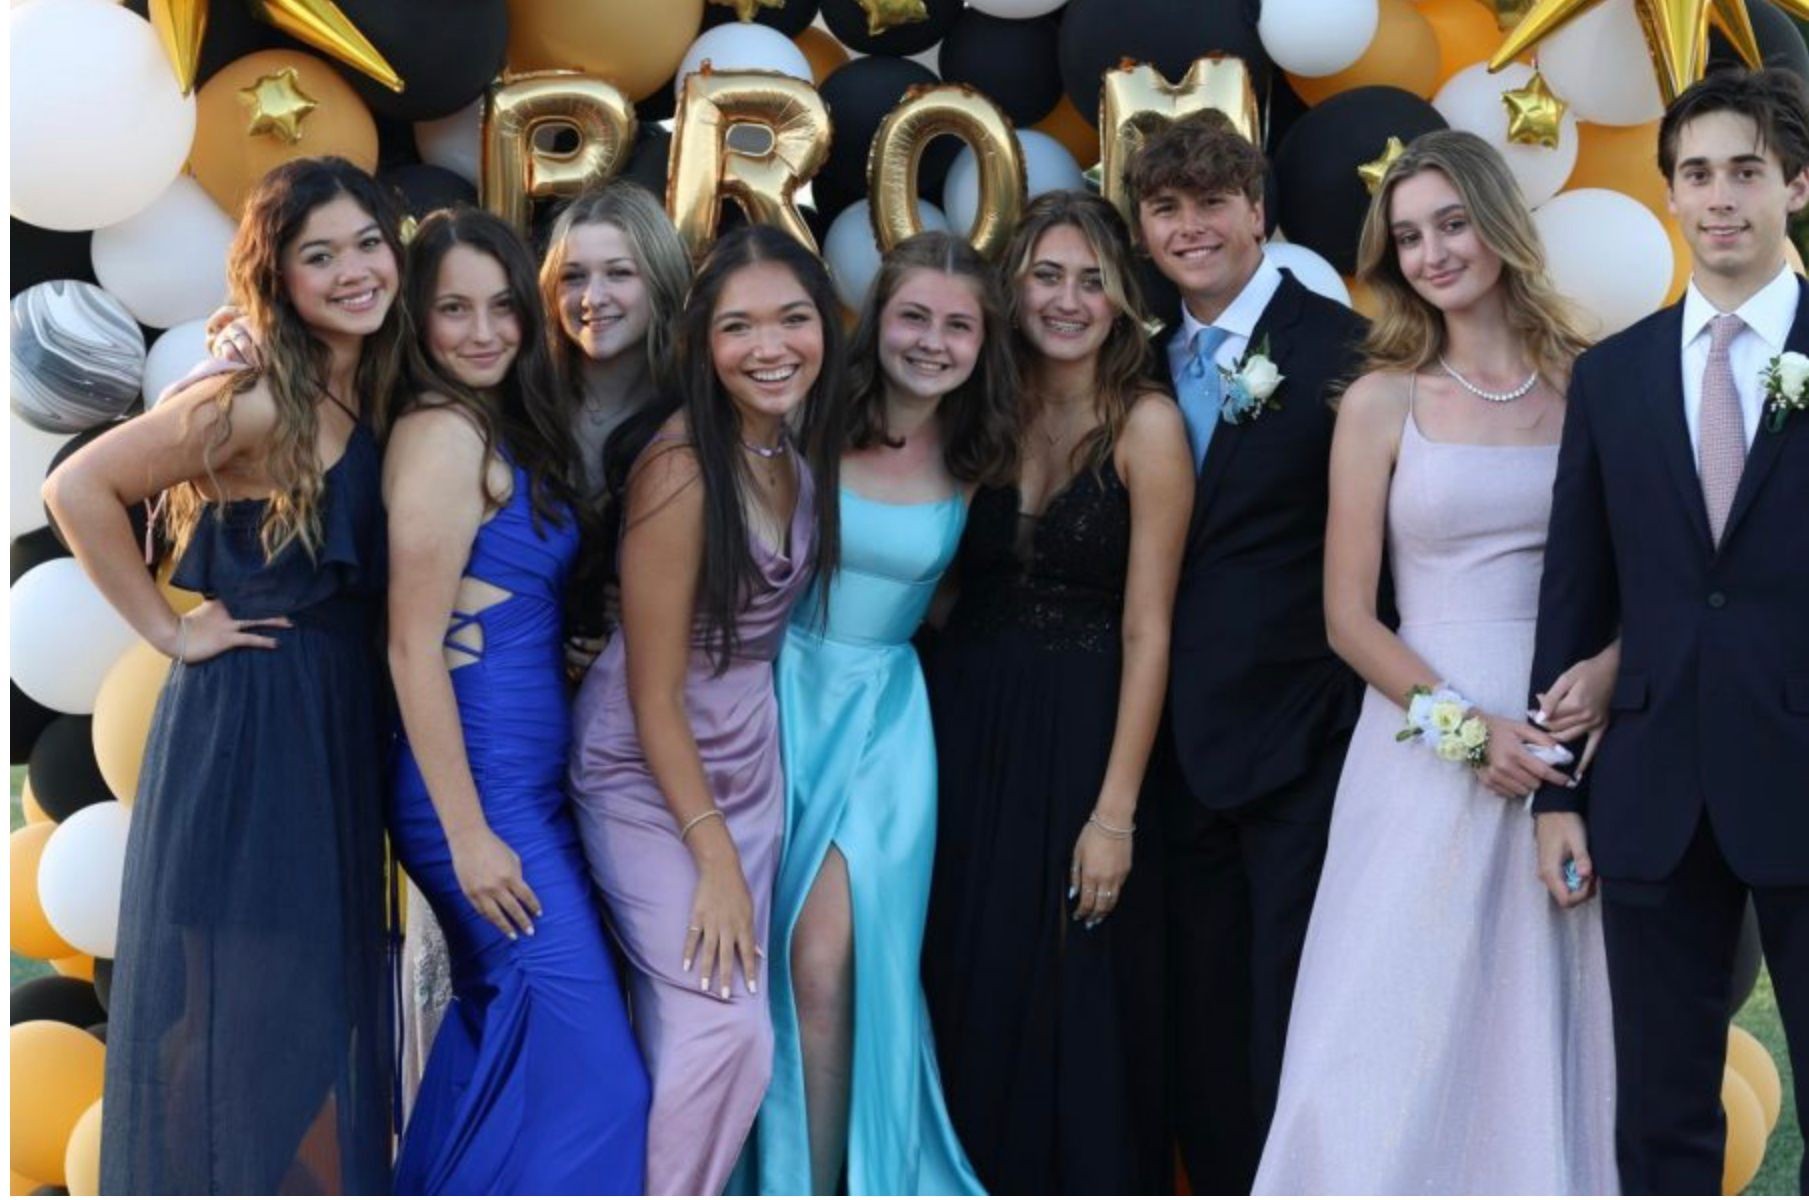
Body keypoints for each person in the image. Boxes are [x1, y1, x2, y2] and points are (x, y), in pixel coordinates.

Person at [1253, 130, 1618, 1194]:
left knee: (1540, 1019)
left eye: (1452, 223)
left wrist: (1608, 668)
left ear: (1500, 223)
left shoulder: (1593, 386)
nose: (1433, 252)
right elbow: (1347, 619)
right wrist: (1468, 734)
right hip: (1421, 743)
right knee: (1377, 1024)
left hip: (1571, 743)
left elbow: (1659, 569)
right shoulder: (1379, 400)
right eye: (1409, 236)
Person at [45, 156, 398, 1194]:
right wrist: (168, 631)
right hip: (253, 726)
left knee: (292, 1022)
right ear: (276, 277)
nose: (351, 271)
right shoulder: (255, 400)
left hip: (322, 723)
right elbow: (79, 487)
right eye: (317, 255)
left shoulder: (357, 385)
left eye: (367, 244)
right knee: (250, 1029)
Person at [1530, 67, 1809, 1194]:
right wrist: (1556, 791)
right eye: (1697, 173)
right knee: (1658, 1117)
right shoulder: (1615, 376)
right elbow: (1575, 592)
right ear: (1673, 196)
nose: (1720, 196)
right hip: (1653, 787)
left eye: (1746, 170)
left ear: (1797, 184)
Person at [922, 190, 1193, 1194]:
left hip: (1086, 739)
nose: (1068, 299)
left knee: (1077, 995)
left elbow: (1148, 627)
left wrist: (1115, 814)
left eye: (1091, 280)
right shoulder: (976, 408)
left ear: (1121, 299)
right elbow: (941, 583)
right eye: (1047, 274)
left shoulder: (1147, 425)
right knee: (967, 971)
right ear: (1014, 286)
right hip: (961, 728)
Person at [568, 224, 845, 1196]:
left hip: (748, 759)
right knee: (724, 1030)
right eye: (739, 328)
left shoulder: (791, 443)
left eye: (793, 320)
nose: (770, 347)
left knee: (701, 1033)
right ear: (702, 344)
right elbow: (650, 693)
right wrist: (714, 858)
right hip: (650, 769)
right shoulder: (684, 467)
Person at [1122, 109, 1368, 1191]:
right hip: (1165, 746)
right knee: (1200, 1013)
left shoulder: (1343, 349)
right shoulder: (1135, 357)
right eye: (1167, 208)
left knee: (1293, 1006)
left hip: (1303, 745)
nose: (1191, 228)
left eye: (1213, 203)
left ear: (1257, 211)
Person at [380, 207, 649, 1193]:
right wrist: (469, 835)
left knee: (502, 1043)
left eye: (504, 307)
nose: (484, 330)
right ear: (416, 320)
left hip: (521, 789)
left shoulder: (495, 422)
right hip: (478, 800)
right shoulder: (441, 431)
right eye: (454, 309)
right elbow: (412, 645)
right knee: (602, 1084)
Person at [747, 232, 1015, 1195]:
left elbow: (942, 599)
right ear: (873, 320)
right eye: (913, 316)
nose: (932, 342)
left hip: (886, 725)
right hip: (775, 702)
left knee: (832, 971)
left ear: (984, 342)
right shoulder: (811, 421)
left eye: (957, 325)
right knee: (767, 965)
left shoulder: (982, 451)